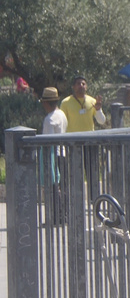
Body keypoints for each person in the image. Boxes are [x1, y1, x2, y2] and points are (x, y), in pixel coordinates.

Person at [40, 86, 67, 222]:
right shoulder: (62, 114)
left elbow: (47, 140)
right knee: (60, 185)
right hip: (62, 152)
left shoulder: (49, 119)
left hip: (52, 154)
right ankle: (62, 215)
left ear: (46, 103)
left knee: (52, 186)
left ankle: (56, 216)